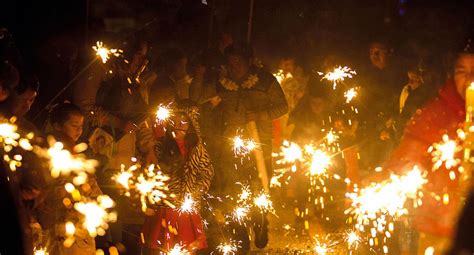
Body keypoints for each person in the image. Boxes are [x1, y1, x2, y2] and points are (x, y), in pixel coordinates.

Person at [383, 37, 474, 254]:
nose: (470, 79)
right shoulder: (436, 114)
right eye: (461, 71)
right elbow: (407, 155)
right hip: (439, 232)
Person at [142, 100, 213, 254]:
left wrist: (197, 190)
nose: (178, 127)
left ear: (191, 126)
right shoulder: (159, 147)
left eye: (183, 123)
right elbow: (151, 173)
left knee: (187, 246)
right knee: (163, 245)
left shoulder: (196, 149)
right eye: (174, 122)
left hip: (187, 210)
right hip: (165, 207)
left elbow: (206, 171)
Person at [36, 102, 102, 255]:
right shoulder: (40, 158)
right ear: (57, 125)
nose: (78, 131)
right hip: (50, 236)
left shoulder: (81, 162)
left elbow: (96, 196)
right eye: (74, 125)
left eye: (81, 126)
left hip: (78, 239)